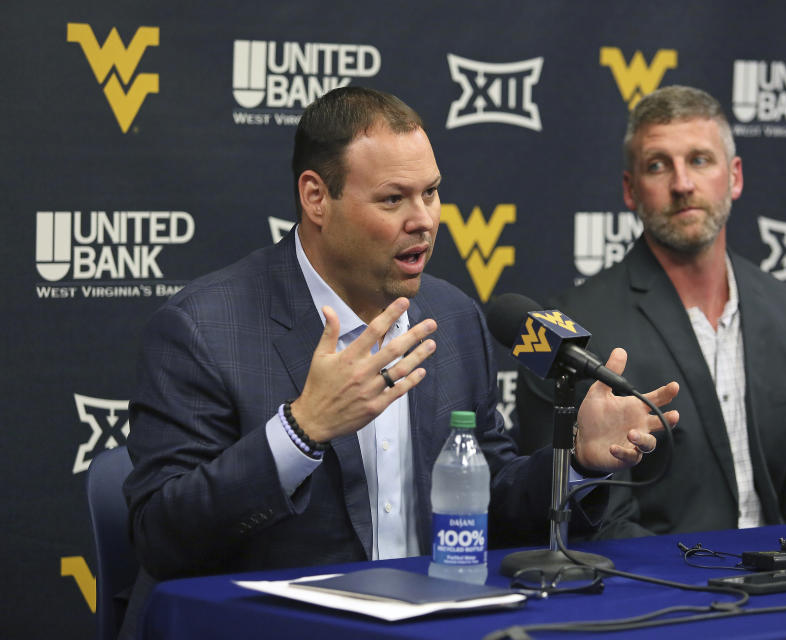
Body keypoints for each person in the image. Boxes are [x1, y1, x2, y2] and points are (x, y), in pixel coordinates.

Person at [119, 86, 678, 636]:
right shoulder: (203, 328)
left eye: (431, 193)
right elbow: (162, 537)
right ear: (317, 198)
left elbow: (493, 503)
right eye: (393, 199)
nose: (425, 220)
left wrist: (576, 461)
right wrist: (300, 431)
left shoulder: (452, 316)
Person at [515, 85, 786, 537]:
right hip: (663, 597)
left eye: (700, 160)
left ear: (735, 176)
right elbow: (597, 523)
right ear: (630, 190)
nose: (683, 184)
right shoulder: (573, 331)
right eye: (658, 166)